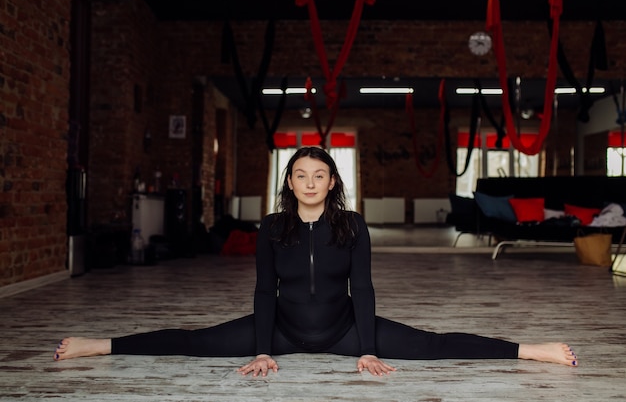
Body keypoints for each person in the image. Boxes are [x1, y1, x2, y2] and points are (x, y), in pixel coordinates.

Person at [54, 146, 578, 376]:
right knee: (195, 343)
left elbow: (364, 291)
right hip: (281, 329)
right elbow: (264, 293)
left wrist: (367, 349)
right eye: (300, 175)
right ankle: (99, 345)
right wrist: (262, 349)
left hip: (345, 329)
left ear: (332, 182)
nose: (310, 183)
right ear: (289, 182)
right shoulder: (272, 228)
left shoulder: (352, 226)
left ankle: (532, 351)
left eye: (319, 176)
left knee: (433, 345)